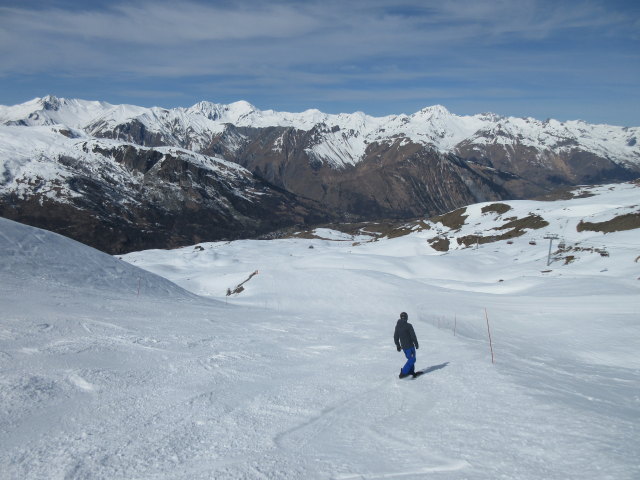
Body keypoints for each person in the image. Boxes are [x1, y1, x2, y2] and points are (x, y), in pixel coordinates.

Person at [394, 311, 419, 378]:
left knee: (410, 359)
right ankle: (403, 372)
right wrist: (416, 344)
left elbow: (396, 337)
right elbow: (413, 336)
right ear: (406, 318)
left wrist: (398, 346)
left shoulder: (397, 326)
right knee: (412, 359)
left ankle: (410, 371)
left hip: (404, 348)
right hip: (410, 347)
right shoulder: (409, 326)